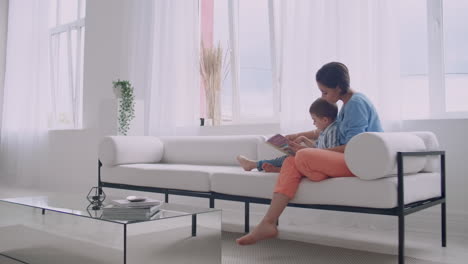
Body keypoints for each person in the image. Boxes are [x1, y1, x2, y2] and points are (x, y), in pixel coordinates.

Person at [236, 62, 383, 246]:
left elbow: (353, 147)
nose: (323, 96)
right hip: (347, 159)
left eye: (325, 92)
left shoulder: (356, 104)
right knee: (291, 161)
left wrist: (313, 152)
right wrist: (300, 138)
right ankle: (268, 222)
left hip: (358, 162)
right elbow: (328, 131)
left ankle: (309, 170)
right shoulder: (347, 105)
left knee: (303, 156)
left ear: (338, 87)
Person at [236, 98, 340, 173]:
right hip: (316, 159)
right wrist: (304, 139)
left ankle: (254, 165)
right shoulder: (324, 130)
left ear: (325, 120)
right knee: (289, 156)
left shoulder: (332, 130)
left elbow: (329, 155)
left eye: (314, 120)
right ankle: (264, 166)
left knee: (293, 158)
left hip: (321, 164)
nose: (314, 123)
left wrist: (303, 150)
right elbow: (318, 148)